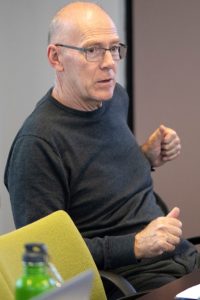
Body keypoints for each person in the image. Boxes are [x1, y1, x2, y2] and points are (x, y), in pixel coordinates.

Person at [4, 1, 199, 299]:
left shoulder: (113, 98)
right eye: (92, 50)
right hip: (135, 281)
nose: (109, 62)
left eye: (114, 48)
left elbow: (98, 181)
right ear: (56, 57)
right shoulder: (37, 146)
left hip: (181, 258)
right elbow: (45, 254)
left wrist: (144, 156)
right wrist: (134, 245)